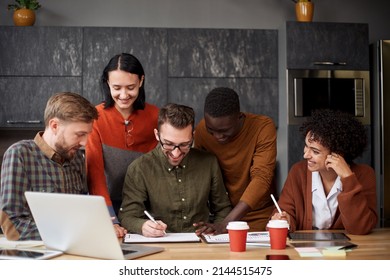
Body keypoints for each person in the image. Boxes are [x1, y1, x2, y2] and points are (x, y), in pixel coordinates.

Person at [118, 103, 232, 237]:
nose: (176, 153)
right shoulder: (139, 168)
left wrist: (215, 230)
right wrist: (142, 226)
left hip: (202, 244)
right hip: (160, 243)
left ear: (193, 136)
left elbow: (223, 208)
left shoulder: (209, 163)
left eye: (184, 145)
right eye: (168, 144)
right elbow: (127, 216)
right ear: (157, 135)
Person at [0, 92, 99, 241]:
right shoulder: (19, 154)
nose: (85, 143)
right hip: (35, 254)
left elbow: (80, 213)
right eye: (79, 134)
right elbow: (12, 226)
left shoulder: (77, 157)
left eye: (87, 135)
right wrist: (68, 234)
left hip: (73, 248)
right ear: (54, 126)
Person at [85, 53, 159, 237]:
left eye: (131, 87)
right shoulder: (95, 117)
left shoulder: (156, 116)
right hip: (106, 204)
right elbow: (95, 176)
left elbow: (159, 169)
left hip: (146, 207)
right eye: (116, 87)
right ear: (107, 83)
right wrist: (110, 219)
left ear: (141, 81)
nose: (124, 95)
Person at [271, 109, 377, 235]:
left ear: (337, 154)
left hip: (347, 252)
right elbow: (285, 210)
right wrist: (284, 219)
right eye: (306, 146)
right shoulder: (298, 171)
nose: (306, 155)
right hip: (306, 250)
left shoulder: (364, 174)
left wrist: (347, 178)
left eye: (315, 151)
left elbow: (361, 228)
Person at [194, 87, 277, 233]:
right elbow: (202, 174)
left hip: (259, 216)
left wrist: (227, 223)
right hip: (221, 216)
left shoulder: (262, 127)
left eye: (225, 131)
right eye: (211, 130)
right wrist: (221, 220)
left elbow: (262, 177)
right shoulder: (201, 131)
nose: (218, 136)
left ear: (239, 117)